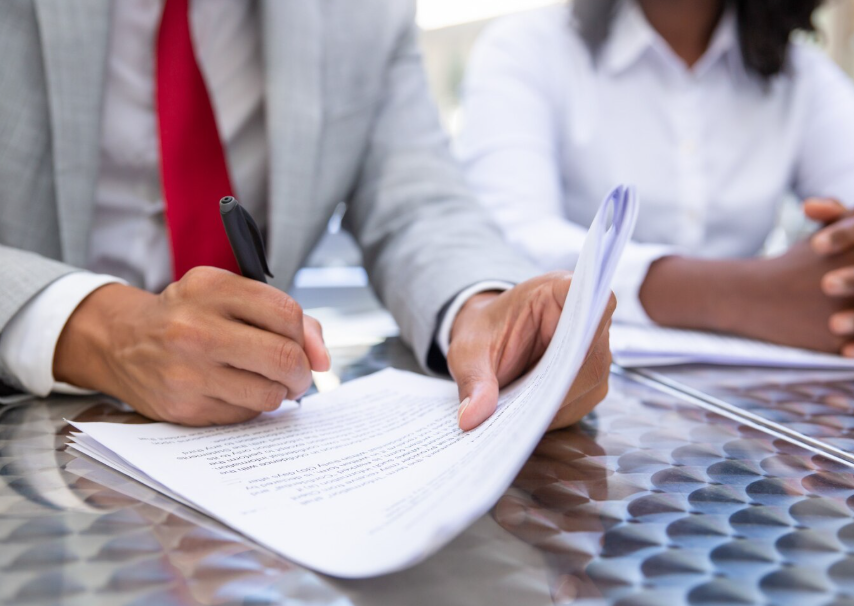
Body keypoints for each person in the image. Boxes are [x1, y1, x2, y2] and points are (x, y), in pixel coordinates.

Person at [0, 0, 616, 432]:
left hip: (251, 441)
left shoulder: (364, 12)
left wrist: (485, 309)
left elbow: (418, 202)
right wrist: (103, 331)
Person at [458, 0, 854, 358]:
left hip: (757, 407)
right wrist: (748, 297)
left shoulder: (801, 75)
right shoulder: (527, 49)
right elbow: (502, 243)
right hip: (588, 391)